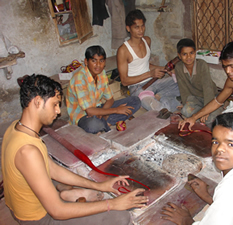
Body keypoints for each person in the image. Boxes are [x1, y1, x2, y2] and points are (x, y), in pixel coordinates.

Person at [1, 74, 148, 224]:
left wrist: (99, 186)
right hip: (38, 219)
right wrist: (113, 204)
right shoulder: (28, 152)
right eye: (55, 105)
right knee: (121, 217)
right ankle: (66, 195)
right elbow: (57, 212)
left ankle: (66, 193)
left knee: (59, 176)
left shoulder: (16, 128)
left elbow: (53, 169)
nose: (58, 111)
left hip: (24, 204)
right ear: (38, 102)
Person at [162, 112, 233, 225]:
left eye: (231, 144)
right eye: (215, 142)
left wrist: (184, 220)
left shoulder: (231, 188)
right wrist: (208, 197)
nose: (220, 149)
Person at [66, 45, 141, 134]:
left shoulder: (102, 73)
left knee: (135, 101)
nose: (98, 65)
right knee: (93, 125)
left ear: (104, 62)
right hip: (83, 116)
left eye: (101, 61)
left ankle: (105, 123)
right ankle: (104, 124)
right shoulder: (79, 78)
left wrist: (103, 114)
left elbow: (110, 99)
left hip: (99, 108)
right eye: (94, 61)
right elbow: (89, 111)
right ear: (86, 61)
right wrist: (116, 110)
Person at [117, 9, 181, 112]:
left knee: (182, 81)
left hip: (153, 82)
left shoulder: (147, 40)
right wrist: (150, 74)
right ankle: (164, 101)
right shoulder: (123, 50)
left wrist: (165, 70)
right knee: (159, 109)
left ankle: (159, 96)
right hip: (138, 88)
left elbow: (146, 65)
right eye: (136, 27)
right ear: (128, 28)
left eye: (142, 26)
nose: (141, 30)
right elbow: (124, 81)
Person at [174, 38, 220, 124]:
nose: (188, 57)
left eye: (191, 53)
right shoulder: (178, 67)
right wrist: (186, 103)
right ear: (179, 55)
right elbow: (183, 90)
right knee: (186, 111)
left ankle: (203, 116)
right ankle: (199, 118)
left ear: (195, 52)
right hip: (195, 98)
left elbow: (208, 89)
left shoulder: (202, 65)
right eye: (184, 54)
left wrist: (206, 110)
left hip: (210, 98)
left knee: (211, 118)